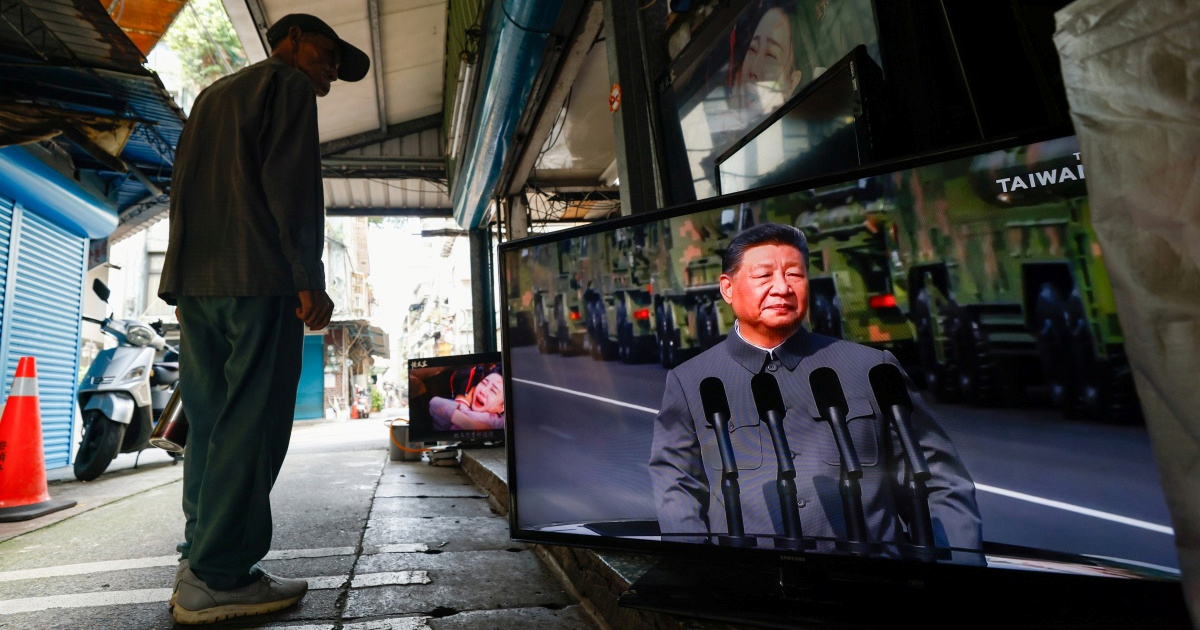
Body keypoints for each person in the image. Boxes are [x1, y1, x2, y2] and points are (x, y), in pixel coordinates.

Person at [157, 13, 369, 625]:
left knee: (210, 419)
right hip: (258, 280)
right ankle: (221, 576)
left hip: (199, 286)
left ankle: (198, 557)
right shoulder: (287, 85)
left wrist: (178, 278)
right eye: (326, 54)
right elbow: (292, 184)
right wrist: (308, 276)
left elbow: (184, 189)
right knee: (252, 424)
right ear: (292, 41)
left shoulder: (213, 95)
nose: (329, 70)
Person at [648, 222, 981, 554]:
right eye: (764, 275)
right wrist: (693, 571)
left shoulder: (872, 368)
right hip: (753, 591)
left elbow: (940, 480)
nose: (782, 287)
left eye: (795, 274)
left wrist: (957, 572)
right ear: (727, 288)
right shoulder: (690, 381)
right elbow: (678, 490)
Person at [430, 367, 505, 431]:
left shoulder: (500, 422)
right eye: (483, 383)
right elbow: (434, 403)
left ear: (503, 407)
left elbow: (436, 404)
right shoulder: (457, 404)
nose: (483, 391)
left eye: (493, 391)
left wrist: (462, 402)